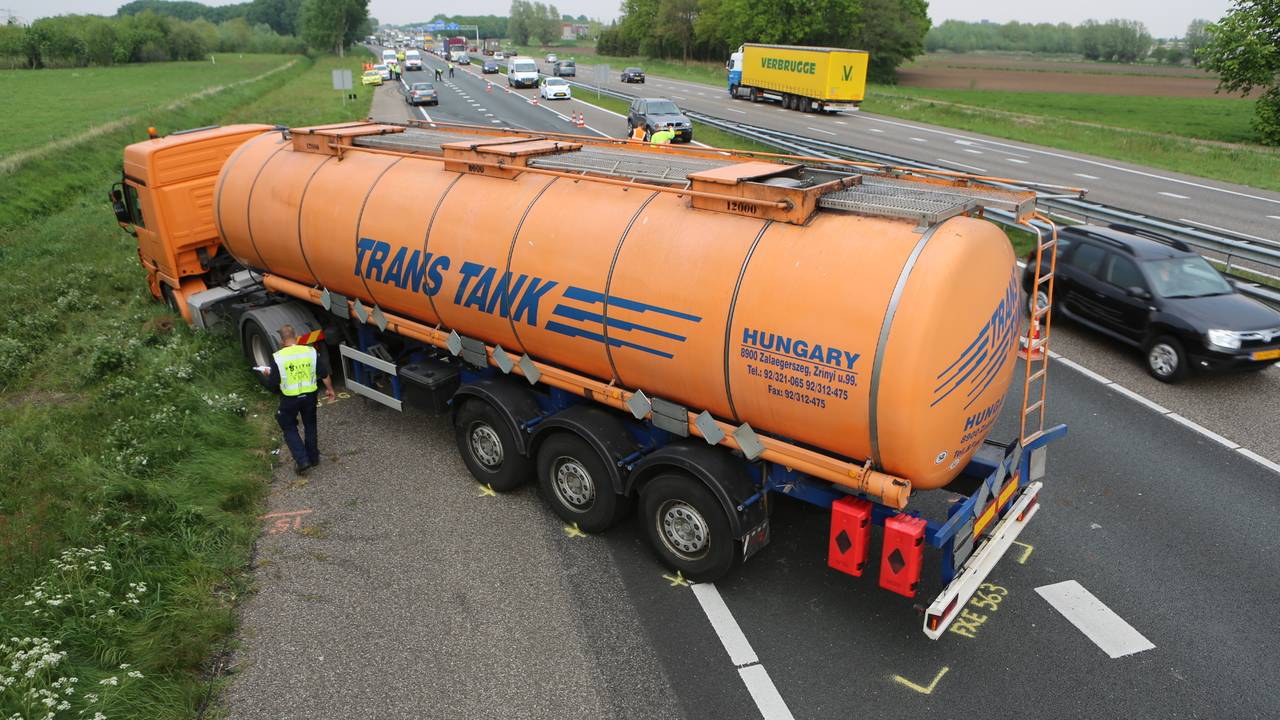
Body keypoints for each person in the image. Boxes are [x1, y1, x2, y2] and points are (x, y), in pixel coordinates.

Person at [258, 325, 336, 475]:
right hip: (310, 396)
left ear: (282, 341)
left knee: (288, 426)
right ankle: (313, 458)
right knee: (310, 425)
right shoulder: (310, 352)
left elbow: (273, 385)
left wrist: (270, 374)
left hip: (290, 399)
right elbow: (324, 373)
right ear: (296, 336)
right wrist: (330, 390)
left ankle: (302, 460)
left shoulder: (278, 357)